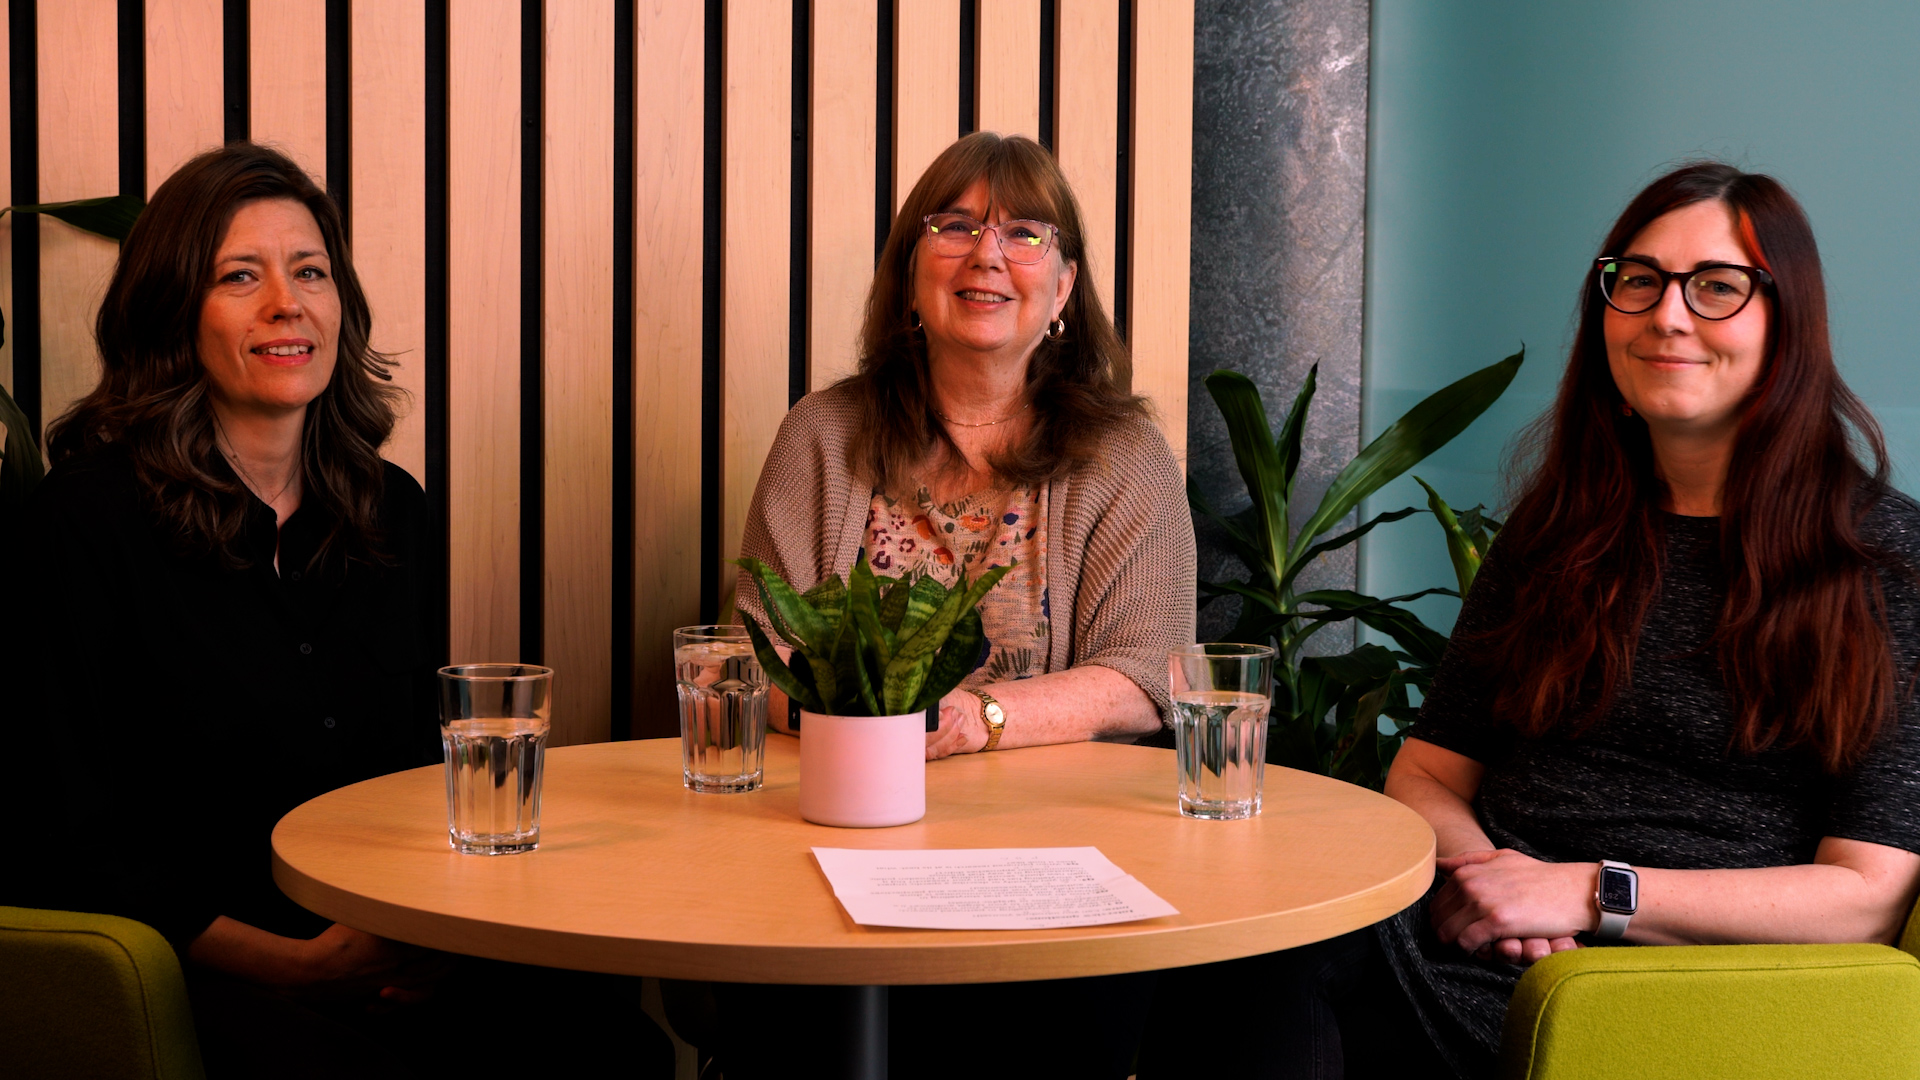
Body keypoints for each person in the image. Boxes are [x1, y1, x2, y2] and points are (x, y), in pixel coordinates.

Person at [1145, 161, 1920, 1080]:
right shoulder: (1561, 530)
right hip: (1478, 933)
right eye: (1639, 280)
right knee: (1216, 952)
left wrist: (1589, 896)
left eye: (1717, 286)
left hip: (1674, 980)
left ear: (1787, 325)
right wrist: (1490, 886)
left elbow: (1866, 896)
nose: (1669, 315)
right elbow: (1428, 771)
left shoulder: (1882, 561)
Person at [1, 143, 670, 1079]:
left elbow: (414, 774)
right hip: (202, 974)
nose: (288, 303)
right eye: (241, 276)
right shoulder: (81, 523)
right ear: (173, 312)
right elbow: (68, 838)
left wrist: (425, 941)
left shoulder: (390, 506)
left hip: (385, 940)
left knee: (610, 1045)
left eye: (309, 271)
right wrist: (295, 967)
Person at [707, 131, 1195, 1077]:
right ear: (908, 277)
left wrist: (984, 718)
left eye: (1023, 232)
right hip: (833, 847)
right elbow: (753, 659)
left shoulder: (1124, 455)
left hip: (1057, 868)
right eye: (955, 225)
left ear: (1062, 289)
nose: (986, 254)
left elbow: (1150, 678)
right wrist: (864, 734)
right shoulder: (823, 434)